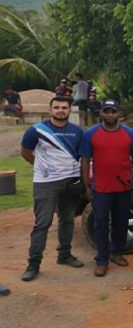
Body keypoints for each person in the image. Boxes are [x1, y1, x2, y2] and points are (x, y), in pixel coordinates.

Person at [20, 95, 84, 282]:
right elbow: (25, 152)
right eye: (56, 107)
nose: (60, 111)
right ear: (50, 110)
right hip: (46, 183)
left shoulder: (77, 131)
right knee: (42, 223)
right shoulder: (36, 131)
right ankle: (33, 264)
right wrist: (43, 168)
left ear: (69, 110)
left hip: (71, 181)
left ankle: (64, 255)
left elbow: (82, 156)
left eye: (64, 107)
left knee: (67, 220)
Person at [79, 99, 133, 277]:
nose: (110, 114)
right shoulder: (90, 134)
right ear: (101, 113)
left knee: (121, 221)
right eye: (106, 111)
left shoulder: (130, 134)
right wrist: (87, 186)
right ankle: (101, 259)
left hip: (123, 186)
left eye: (113, 111)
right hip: (100, 188)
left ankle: (117, 252)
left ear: (118, 114)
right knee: (100, 223)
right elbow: (85, 160)